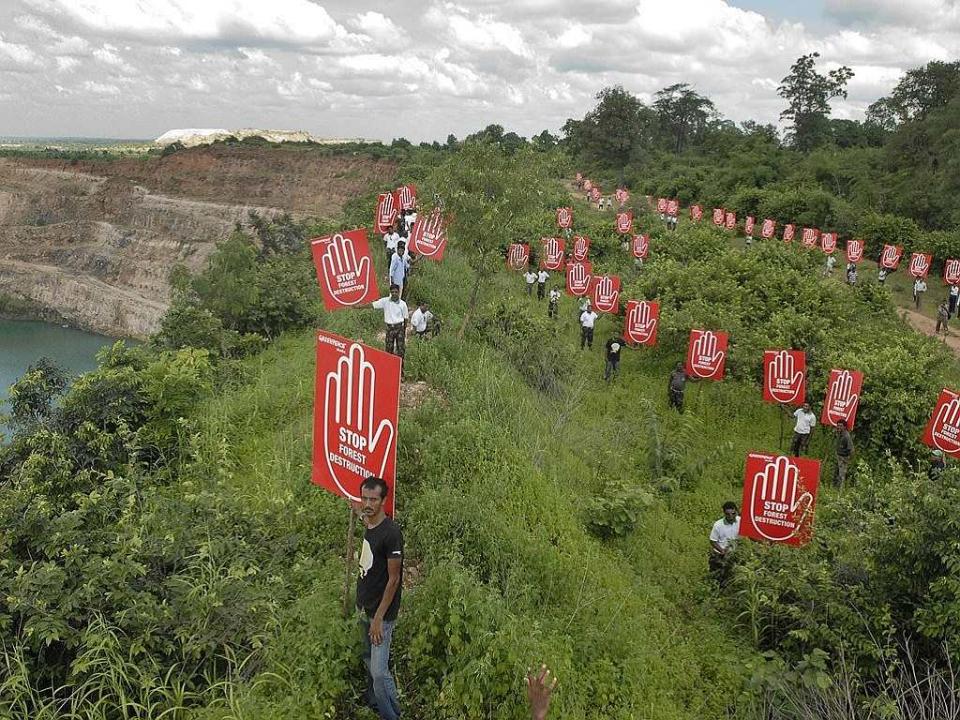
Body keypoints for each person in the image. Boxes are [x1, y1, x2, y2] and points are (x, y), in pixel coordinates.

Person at [356, 476, 403, 720]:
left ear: (384, 501)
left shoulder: (391, 533)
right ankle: (375, 702)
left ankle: (391, 715)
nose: (368, 503)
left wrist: (379, 619)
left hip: (380, 615)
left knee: (379, 673)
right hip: (363, 607)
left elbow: (393, 580)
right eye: (364, 498)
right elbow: (361, 512)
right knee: (367, 659)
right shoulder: (368, 521)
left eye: (373, 499)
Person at [372, 285, 409, 360]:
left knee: (401, 350)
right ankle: (389, 368)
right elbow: (373, 305)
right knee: (388, 350)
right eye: (392, 292)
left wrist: (404, 329)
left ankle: (401, 369)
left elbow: (406, 318)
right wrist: (359, 306)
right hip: (389, 328)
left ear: (398, 292)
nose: (394, 293)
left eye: (396, 292)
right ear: (390, 292)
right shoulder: (385, 301)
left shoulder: (403, 304)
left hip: (399, 328)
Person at [709, 501, 740, 586]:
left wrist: (762, 542)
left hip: (733, 555)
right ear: (724, 513)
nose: (731, 517)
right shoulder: (718, 525)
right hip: (719, 556)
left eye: (733, 514)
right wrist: (722, 551)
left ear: (736, 511)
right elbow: (712, 541)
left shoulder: (740, 521)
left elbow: (748, 535)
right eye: (728, 514)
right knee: (717, 580)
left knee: (731, 579)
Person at [835, 419, 854, 488]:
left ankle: (841, 491)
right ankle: (836, 487)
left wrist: (847, 460)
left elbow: (851, 450)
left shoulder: (846, 436)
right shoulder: (839, 434)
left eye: (841, 426)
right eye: (838, 425)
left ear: (844, 427)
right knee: (837, 473)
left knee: (842, 475)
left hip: (844, 458)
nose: (839, 427)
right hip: (839, 457)